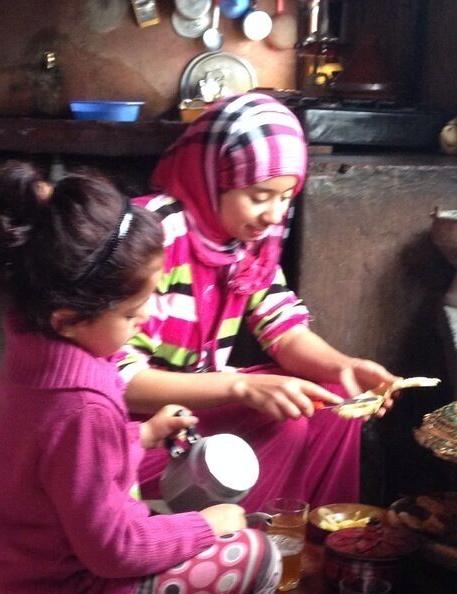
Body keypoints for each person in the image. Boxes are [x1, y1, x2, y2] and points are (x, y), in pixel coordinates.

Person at [0, 162, 280, 594]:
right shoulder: (86, 401)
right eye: (133, 315)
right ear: (68, 318)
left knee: (162, 513)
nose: (149, 320)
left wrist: (142, 434)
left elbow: (53, 466)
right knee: (256, 557)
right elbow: (115, 550)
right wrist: (205, 528)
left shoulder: (32, 347)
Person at [120, 92, 400, 513]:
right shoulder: (154, 235)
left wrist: (344, 367)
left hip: (192, 408)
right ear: (215, 175)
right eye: (259, 195)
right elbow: (118, 382)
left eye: (285, 197)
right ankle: (243, 546)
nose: (273, 215)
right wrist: (240, 386)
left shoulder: (248, 242)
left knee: (336, 402)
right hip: (135, 431)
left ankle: (321, 541)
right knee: (283, 427)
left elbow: (283, 327)